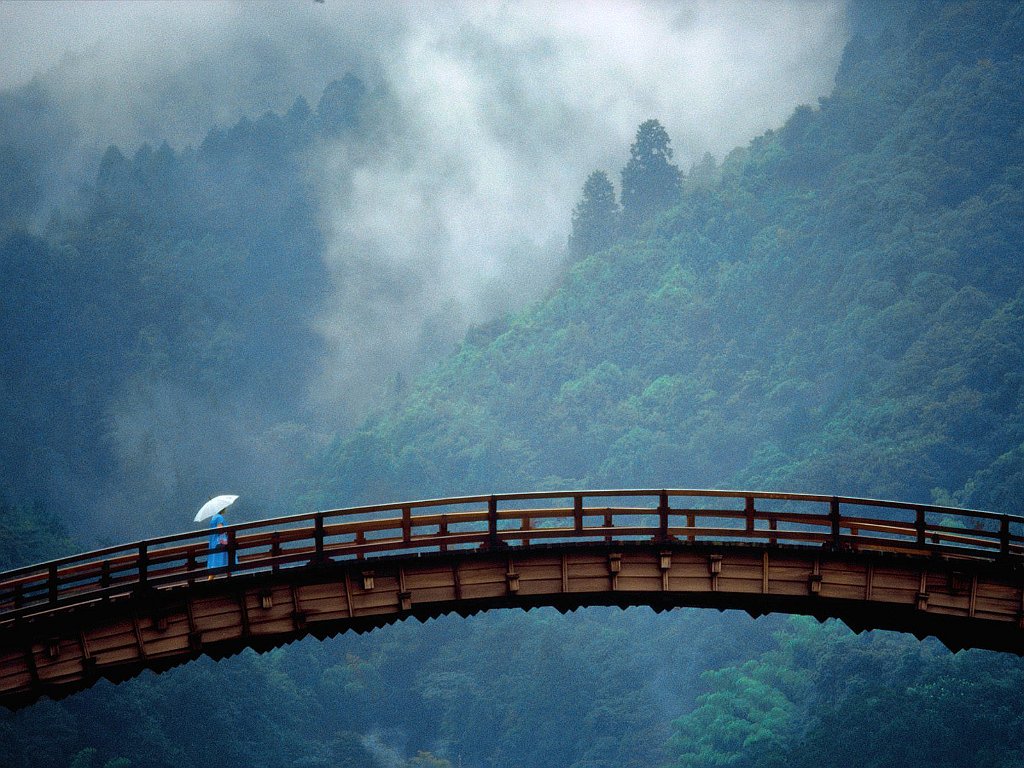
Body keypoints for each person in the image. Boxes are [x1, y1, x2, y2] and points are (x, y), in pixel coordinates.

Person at [207, 511, 229, 576]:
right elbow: (220, 529)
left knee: (215, 560)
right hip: (220, 542)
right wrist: (226, 531)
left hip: (214, 541)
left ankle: (211, 577)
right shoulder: (219, 517)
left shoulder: (214, 517)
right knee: (224, 558)